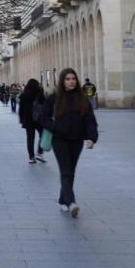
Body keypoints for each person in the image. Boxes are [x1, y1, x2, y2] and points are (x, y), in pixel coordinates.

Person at [39, 68, 98, 218]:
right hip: (60, 140)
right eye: (67, 79)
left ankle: (62, 199)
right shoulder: (54, 98)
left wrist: (91, 137)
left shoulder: (82, 98)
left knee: (70, 171)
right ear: (62, 81)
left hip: (76, 140)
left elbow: (90, 120)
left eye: (73, 79)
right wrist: (55, 128)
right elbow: (43, 117)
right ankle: (71, 203)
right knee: (66, 171)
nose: (71, 81)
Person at [18, 79, 46, 164]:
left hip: (28, 120)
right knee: (42, 135)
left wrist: (21, 119)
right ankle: (39, 153)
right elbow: (45, 105)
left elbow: (21, 109)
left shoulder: (24, 95)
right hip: (38, 119)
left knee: (30, 139)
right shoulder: (39, 93)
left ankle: (31, 157)